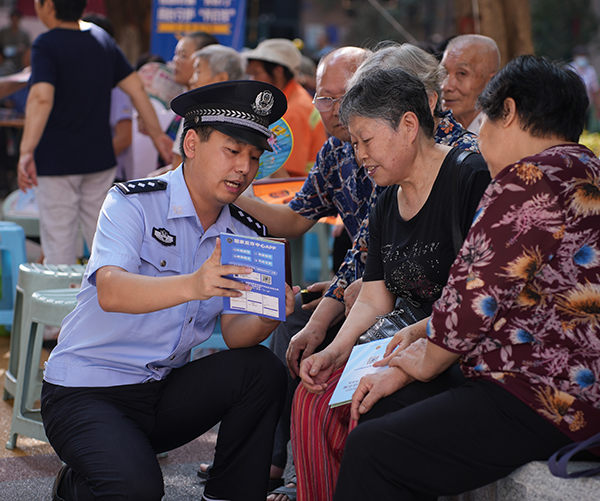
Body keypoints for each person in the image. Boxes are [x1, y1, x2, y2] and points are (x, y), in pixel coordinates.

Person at [334, 54, 600, 500]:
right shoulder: (586, 171)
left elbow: (476, 296)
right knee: (390, 407)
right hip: (570, 385)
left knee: (371, 449)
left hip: (543, 394)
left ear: (509, 113)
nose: (479, 139)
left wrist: (416, 361)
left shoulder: (528, 177)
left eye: (484, 123)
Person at [42, 80, 296, 501]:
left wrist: (269, 314)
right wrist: (194, 284)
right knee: (137, 489)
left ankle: (227, 495)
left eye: (253, 157)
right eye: (232, 151)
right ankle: (76, 485)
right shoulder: (132, 202)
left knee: (261, 370)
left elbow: (235, 334)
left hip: (160, 391)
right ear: (192, 144)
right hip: (86, 391)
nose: (243, 169)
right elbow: (111, 291)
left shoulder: (244, 232)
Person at [292, 67, 491, 501]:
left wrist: (405, 354)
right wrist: (333, 350)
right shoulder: (386, 198)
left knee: (369, 413)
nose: (359, 154)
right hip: (399, 340)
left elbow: (481, 298)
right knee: (310, 401)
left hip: (456, 349)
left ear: (408, 124)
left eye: (366, 140)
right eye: (355, 143)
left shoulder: (469, 177)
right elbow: (375, 296)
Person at [16, 0, 173, 266]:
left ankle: (60, 305)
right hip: (99, 160)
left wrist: (26, 150)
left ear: (48, 6)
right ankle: (113, 298)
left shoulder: (46, 44)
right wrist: (159, 135)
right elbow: (135, 87)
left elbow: (41, 98)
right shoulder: (101, 39)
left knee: (59, 244)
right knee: (105, 238)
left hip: (56, 161)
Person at [245, 38, 327, 178]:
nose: (251, 80)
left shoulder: (293, 111)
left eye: (257, 73)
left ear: (278, 71)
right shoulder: (291, 101)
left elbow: (287, 176)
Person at [166, 44, 246, 172]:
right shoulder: (248, 116)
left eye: (198, 72)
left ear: (221, 79)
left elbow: (179, 169)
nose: (192, 80)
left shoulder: (195, 115)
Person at [441, 34, 500, 134]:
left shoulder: (499, 134)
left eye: (462, 73)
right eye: (443, 72)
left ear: (491, 81)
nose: (446, 86)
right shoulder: (433, 130)